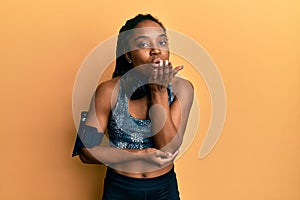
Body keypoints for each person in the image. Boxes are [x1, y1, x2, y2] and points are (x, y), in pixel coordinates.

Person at [72, 14, 194, 200]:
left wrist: (158, 92)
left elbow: (168, 150)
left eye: (162, 42)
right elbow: (86, 152)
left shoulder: (182, 89)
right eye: (144, 44)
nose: (155, 50)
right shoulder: (107, 91)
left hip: (163, 190)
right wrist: (139, 156)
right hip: (120, 189)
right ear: (128, 55)